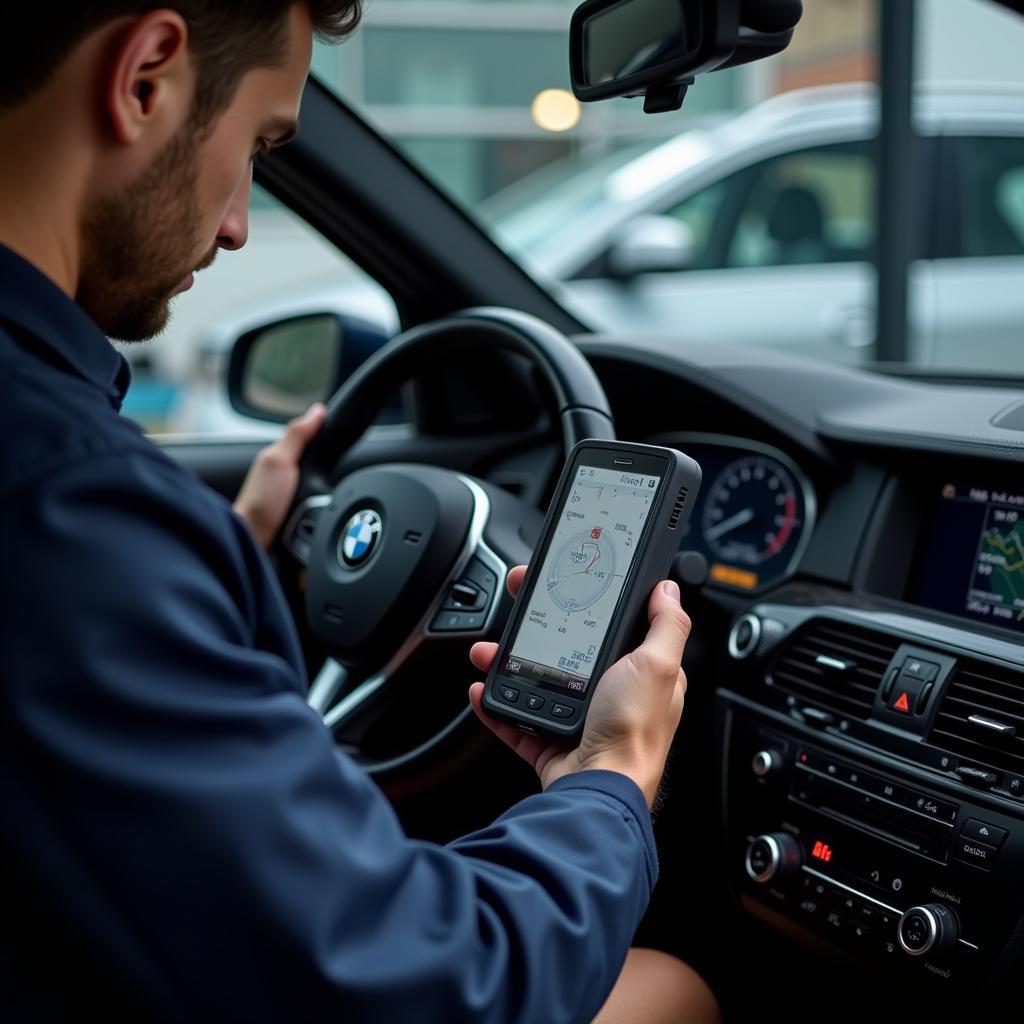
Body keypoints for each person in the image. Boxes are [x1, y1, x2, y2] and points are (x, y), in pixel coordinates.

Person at [0, 3, 720, 1021]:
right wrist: (611, 775)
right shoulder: (79, 515)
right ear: (146, 76)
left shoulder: (80, 501)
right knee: (673, 990)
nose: (241, 220)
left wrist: (228, 557)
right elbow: (439, 983)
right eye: (257, 146)